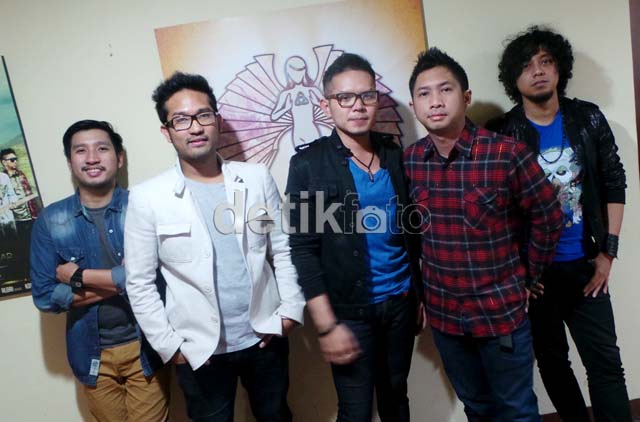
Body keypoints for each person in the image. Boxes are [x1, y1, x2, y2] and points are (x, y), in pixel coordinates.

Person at [124, 72, 304, 422]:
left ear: (217, 121)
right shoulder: (148, 198)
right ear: (167, 131)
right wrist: (170, 346)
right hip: (199, 350)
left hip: (264, 334)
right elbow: (140, 283)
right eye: (181, 120)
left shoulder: (255, 178)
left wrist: (289, 313)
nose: (195, 127)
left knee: (276, 416)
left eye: (203, 115)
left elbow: (282, 249)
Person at [404, 47, 563, 421]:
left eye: (446, 90)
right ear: (414, 106)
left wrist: (529, 277)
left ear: (466, 97)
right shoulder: (411, 160)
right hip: (445, 316)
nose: (435, 101)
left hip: (500, 312)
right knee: (476, 408)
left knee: (516, 410)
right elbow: (413, 234)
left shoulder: (506, 153)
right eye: (424, 94)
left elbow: (549, 217)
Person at [487, 26, 632, 422]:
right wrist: (518, 273)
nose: (538, 71)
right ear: (513, 78)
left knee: (605, 363)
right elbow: (496, 211)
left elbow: (614, 181)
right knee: (553, 363)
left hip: (586, 264)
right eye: (527, 65)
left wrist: (608, 253)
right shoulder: (502, 134)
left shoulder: (587, 118)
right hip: (536, 275)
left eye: (546, 61)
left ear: (559, 68)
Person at [285, 53, 423, 422]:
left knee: (396, 395)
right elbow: (303, 249)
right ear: (326, 105)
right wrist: (327, 324)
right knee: (356, 410)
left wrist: (420, 296)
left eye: (367, 96)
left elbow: (412, 232)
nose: (357, 106)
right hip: (349, 310)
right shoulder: (308, 165)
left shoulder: (394, 154)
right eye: (345, 97)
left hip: (401, 301)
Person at [30, 120, 169, 422]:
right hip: (91, 353)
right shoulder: (51, 220)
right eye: (81, 151)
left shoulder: (144, 208)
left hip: (146, 345)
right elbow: (44, 296)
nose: (92, 158)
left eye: (102, 148)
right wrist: (124, 279)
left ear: (119, 158)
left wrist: (78, 277)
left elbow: (161, 278)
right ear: (70, 162)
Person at [1, 148, 41, 280]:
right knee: (22, 248)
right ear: (4, 162)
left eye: (16, 159)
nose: (15, 162)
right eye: (12, 160)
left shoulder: (21, 174)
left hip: (31, 215)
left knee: (34, 246)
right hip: (16, 220)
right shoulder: (3, 179)